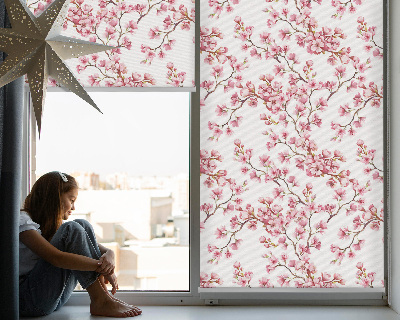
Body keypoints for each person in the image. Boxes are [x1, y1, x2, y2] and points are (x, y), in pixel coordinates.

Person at [19, 171, 142, 317]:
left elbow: (93, 248)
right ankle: (101, 301)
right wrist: (102, 268)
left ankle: (104, 298)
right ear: (55, 198)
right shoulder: (23, 221)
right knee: (72, 228)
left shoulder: (49, 225)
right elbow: (56, 258)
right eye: (71, 200)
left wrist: (110, 254)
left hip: (52, 299)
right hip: (28, 301)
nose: (73, 207)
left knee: (81, 224)